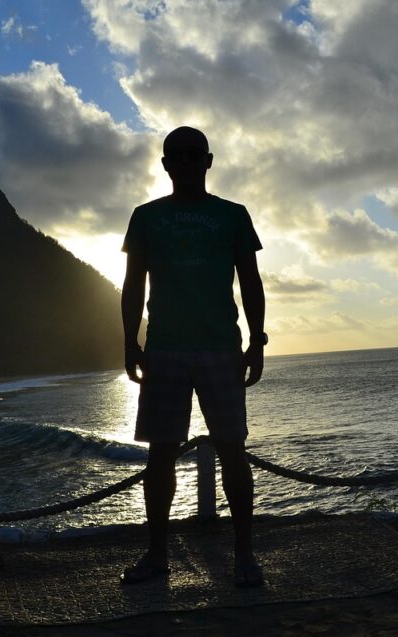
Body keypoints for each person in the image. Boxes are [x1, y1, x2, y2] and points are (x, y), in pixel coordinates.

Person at [120, 126, 267, 588]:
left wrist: (257, 340)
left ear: (208, 160)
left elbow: (251, 281)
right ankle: (158, 556)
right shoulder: (145, 217)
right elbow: (132, 284)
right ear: (164, 165)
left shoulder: (233, 216)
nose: (184, 162)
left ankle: (245, 556)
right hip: (163, 348)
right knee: (160, 456)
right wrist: (129, 340)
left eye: (192, 155)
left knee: (233, 451)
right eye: (175, 156)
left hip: (222, 347)